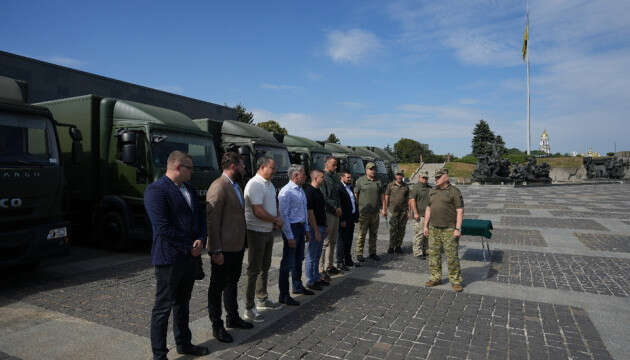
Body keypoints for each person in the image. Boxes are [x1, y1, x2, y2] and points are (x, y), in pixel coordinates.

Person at [145, 150, 209, 360]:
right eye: (190, 168)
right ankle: (159, 354)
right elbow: (162, 227)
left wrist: (201, 238)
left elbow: (200, 217)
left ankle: (184, 343)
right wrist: (189, 244)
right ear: (178, 167)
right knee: (163, 308)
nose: (193, 172)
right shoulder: (156, 190)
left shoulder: (188, 188)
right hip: (170, 258)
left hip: (190, 256)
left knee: (183, 303)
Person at [206, 152, 253, 344]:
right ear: (233, 165)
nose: (244, 168)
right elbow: (212, 221)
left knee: (232, 283)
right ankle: (217, 326)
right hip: (223, 249)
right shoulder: (219, 186)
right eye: (241, 165)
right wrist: (215, 250)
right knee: (217, 287)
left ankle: (232, 317)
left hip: (236, 246)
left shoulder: (235, 186)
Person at [242, 157, 284, 323]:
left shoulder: (269, 184)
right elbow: (257, 211)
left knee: (264, 267)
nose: (274, 171)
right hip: (256, 231)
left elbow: (273, 204)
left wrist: (277, 218)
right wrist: (275, 220)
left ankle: (262, 298)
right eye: (272, 168)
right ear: (262, 167)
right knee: (253, 270)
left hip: (267, 231)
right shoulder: (255, 184)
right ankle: (249, 307)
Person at [423, 168, 465, 292]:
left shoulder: (454, 192)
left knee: (452, 256)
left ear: (445, 177)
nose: (435, 179)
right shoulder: (432, 191)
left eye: (438, 177)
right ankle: (435, 278)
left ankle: (455, 281)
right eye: (435, 178)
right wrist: (425, 225)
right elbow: (428, 209)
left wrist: (458, 228)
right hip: (434, 228)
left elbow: (460, 211)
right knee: (434, 255)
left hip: (449, 229)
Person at [278, 164, 312, 305]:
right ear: (295, 176)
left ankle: (297, 286)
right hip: (291, 228)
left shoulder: (300, 190)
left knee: (298, 259)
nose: (305, 176)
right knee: (287, 263)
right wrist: (289, 236)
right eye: (303, 174)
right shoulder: (286, 191)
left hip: (300, 227)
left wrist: (306, 229)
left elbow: (303, 211)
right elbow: (283, 215)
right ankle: (284, 295)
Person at [354, 162, 386, 262]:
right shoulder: (360, 181)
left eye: (374, 169)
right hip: (364, 213)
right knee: (362, 234)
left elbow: (382, 196)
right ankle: (359, 254)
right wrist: (357, 208)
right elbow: (356, 195)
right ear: (366, 170)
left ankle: (372, 252)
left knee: (374, 234)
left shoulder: (378, 181)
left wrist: (384, 208)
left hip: (375, 213)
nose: (373, 171)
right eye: (370, 169)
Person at [303, 169, 329, 291]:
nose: (323, 179)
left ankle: (316, 276)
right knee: (312, 255)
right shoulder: (309, 191)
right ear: (315, 178)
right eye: (322, 177)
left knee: (317, 253)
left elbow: (322, 210)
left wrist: (326, 226)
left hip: (321, 225)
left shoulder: (318, 190)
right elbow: (310, 213)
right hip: (315, 227)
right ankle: (310, 280)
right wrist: (316, 230)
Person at [319, 156, 342, 277]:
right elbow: (324, 197)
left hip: (336, 212)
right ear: (326, 164)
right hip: (328, 212)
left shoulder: (335, 177)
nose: (336, 167)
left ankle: (329, 265)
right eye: (333, 164)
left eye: (336, 164)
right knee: (326, 242)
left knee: (333, 241)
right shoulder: (323, 178)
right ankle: (321, 268)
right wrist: (335, 207)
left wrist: (339, 207)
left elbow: (337, 195)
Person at [337, 170, 359, 270]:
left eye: (350, 177)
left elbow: (353, 202)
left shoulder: (349, 187)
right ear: (342, 177)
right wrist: (342, 219)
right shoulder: (339, 188)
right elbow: (340, 205)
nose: (350, 179)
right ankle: (340, 261)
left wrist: (355, 215)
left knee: (349, 240)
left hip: (351, 217)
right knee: (342, 241)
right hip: (344, 219)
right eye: (348, 177)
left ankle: (348, 259)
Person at [384, 169, 409, 254]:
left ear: (402, 176)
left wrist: (408, 211)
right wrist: (385, 209)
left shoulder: (406, 186)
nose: (399, 176)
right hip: (393, 211)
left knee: (401, 230)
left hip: (403, 211)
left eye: (401, 175)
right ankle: (391, 246)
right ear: (395, 176)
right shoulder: (390, 185)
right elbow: (386, 196)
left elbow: (408, 199)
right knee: (393, 229)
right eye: (398, 175)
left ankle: (398, 246)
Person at [409, 171, 431, 258]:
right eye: (423, 177)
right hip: (420, 215)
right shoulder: (416, 187)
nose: (425, 179)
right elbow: (412, 200)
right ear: (419, 177)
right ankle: (417, 252)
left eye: (426, 178)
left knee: (427, 234)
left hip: (428, 215)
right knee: (419, 234)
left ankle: (426, 250)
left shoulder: (429, 187)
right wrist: (415, 213)